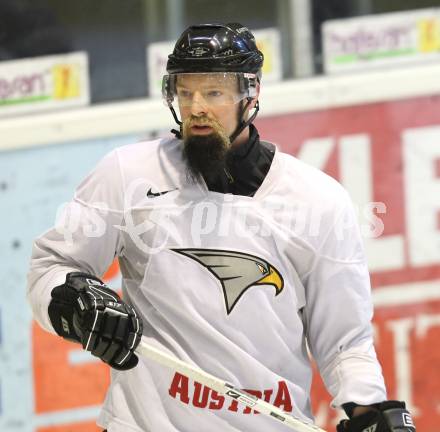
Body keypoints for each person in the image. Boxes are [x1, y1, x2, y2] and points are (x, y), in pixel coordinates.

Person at [28, 23, 416, 432]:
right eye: (185, 91)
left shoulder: (318, 201)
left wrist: (369, 409)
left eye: (214, 92)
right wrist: (72, 303)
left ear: (251, 95)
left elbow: (345, 342)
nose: (197, 107)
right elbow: (50, 267)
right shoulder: (127, 174)